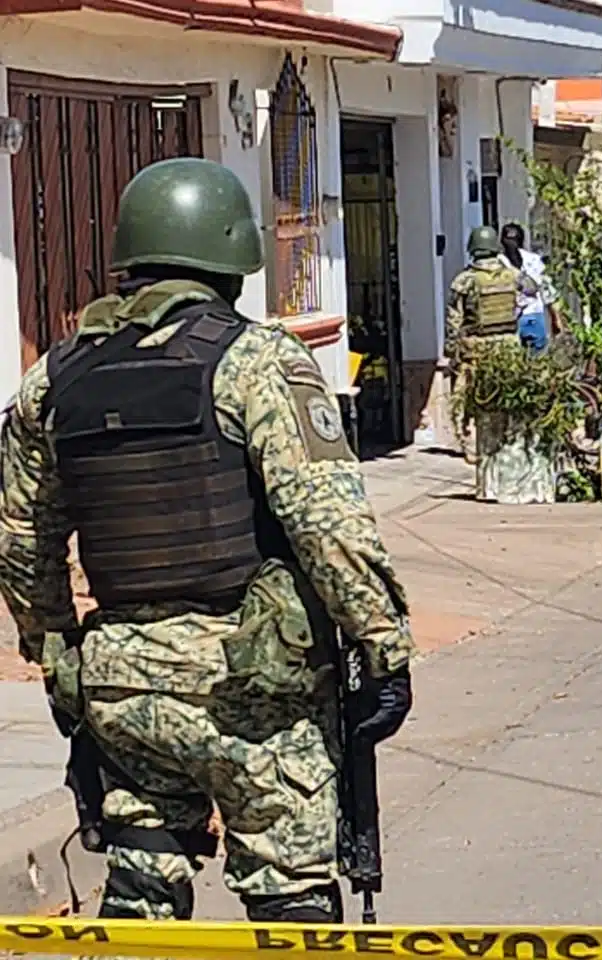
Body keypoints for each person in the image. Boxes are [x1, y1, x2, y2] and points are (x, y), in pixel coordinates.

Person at [0, 157, 415, 921]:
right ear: (231, 261)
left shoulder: (55, 378)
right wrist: (383, 648)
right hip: (251, 688)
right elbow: (327, 526)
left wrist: (57, 654)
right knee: (290, 894)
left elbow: (23, 540)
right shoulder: (258, 362)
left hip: (122, 685)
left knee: (143, 885)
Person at [445, 227, 550, 503]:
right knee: (510, 412)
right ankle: (513, 479)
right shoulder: (512, 275)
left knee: (482, 412)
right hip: (509, 350)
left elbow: (454, 323)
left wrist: (453, 354)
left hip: (478, 354)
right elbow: (534, 288)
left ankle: (488, 483)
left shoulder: (464, 281)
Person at [499, 223, 560, 352]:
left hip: (509, 320)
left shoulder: (498, 262)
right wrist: (556, 318)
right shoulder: (534, 260)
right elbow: (547, 291)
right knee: (537, 365)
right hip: (534, 317)